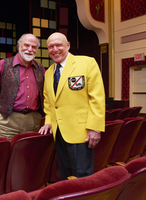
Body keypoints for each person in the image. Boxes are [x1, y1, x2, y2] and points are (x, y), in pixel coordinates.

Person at [39, 32, 105, 180]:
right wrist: (48, 121)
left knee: (82, 177)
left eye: (58, 45)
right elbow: (48, 102)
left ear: (68, 45)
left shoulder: (87, 63)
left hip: (81, 133)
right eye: (51, 47)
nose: (54, 49)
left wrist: (95, 128)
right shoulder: (49, 72)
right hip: (59, 133)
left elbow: (97, 98)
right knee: (66, 175)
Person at [0, 33, 45, 141]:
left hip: (32, 120)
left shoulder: (40, 68)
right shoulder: (3, 64)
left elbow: (45, 93)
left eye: (34, 47)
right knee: (5, 154)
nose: (30, 49)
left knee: (28, 154)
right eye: (26, 45)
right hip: (7, 119)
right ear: (19, 46)